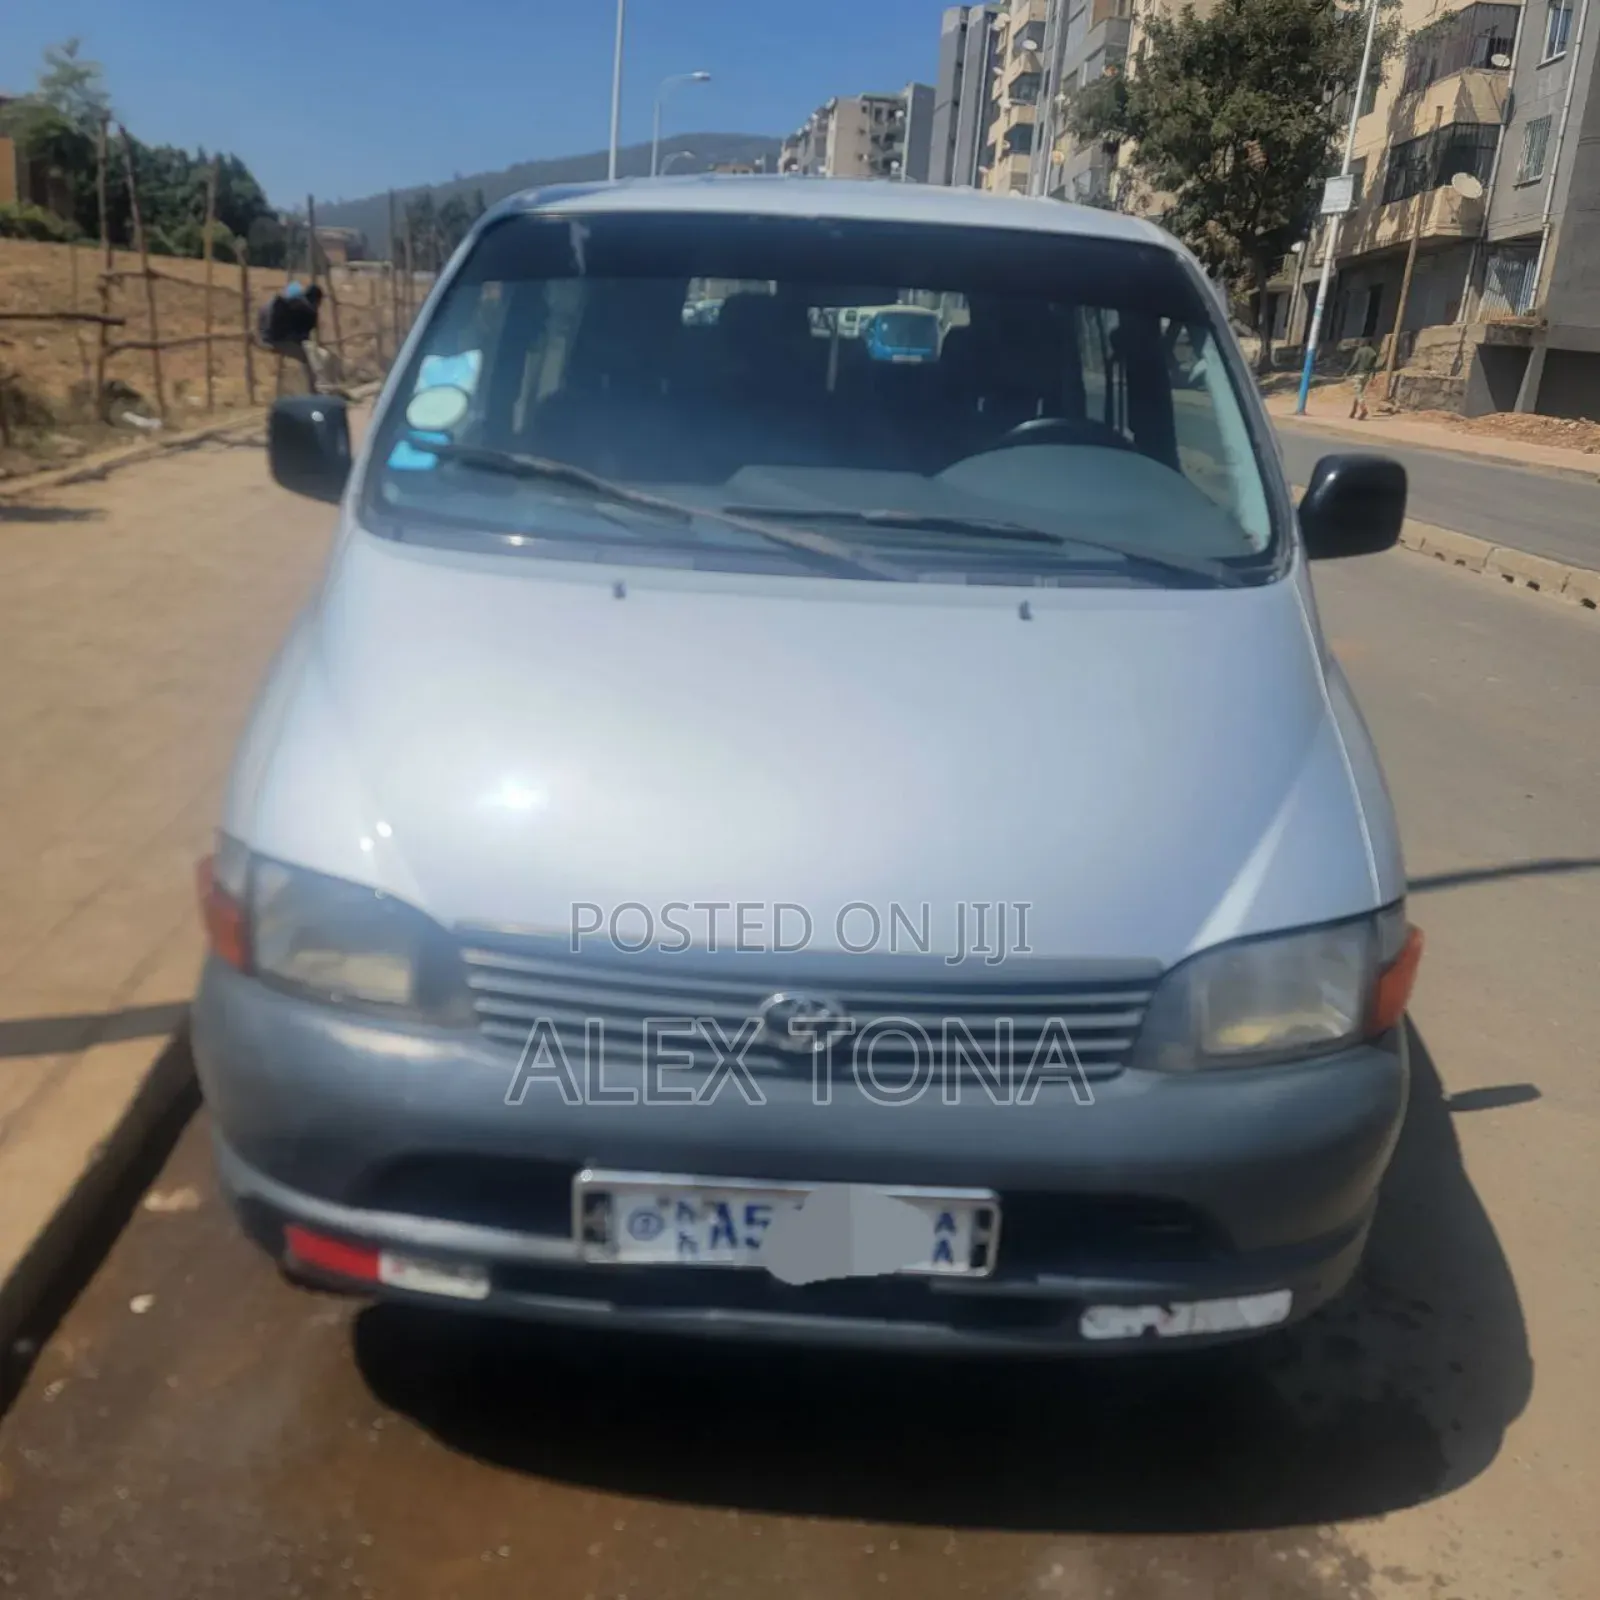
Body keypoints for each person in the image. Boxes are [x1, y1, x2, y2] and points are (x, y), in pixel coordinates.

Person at [259, 281, 326, 394]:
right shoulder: (307, 309)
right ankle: (313, 391)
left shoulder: (290, 302)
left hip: (267, 336)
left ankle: (309, 390)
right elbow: (303, 335)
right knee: (309, 357)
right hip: (277, 340)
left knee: (309, 355)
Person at [1346, 337, 1379, 420]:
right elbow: (1374, 367)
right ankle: (1353, 411)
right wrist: (1373, 377)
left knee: (1358, 393)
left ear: (1363, 343)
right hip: (1367, 375)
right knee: (1358, 392)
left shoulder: (1360, 351)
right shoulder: (1373, 352)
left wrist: (1348, 371)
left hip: (1359, 374)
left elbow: (1355, 362)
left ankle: (1363, 409)